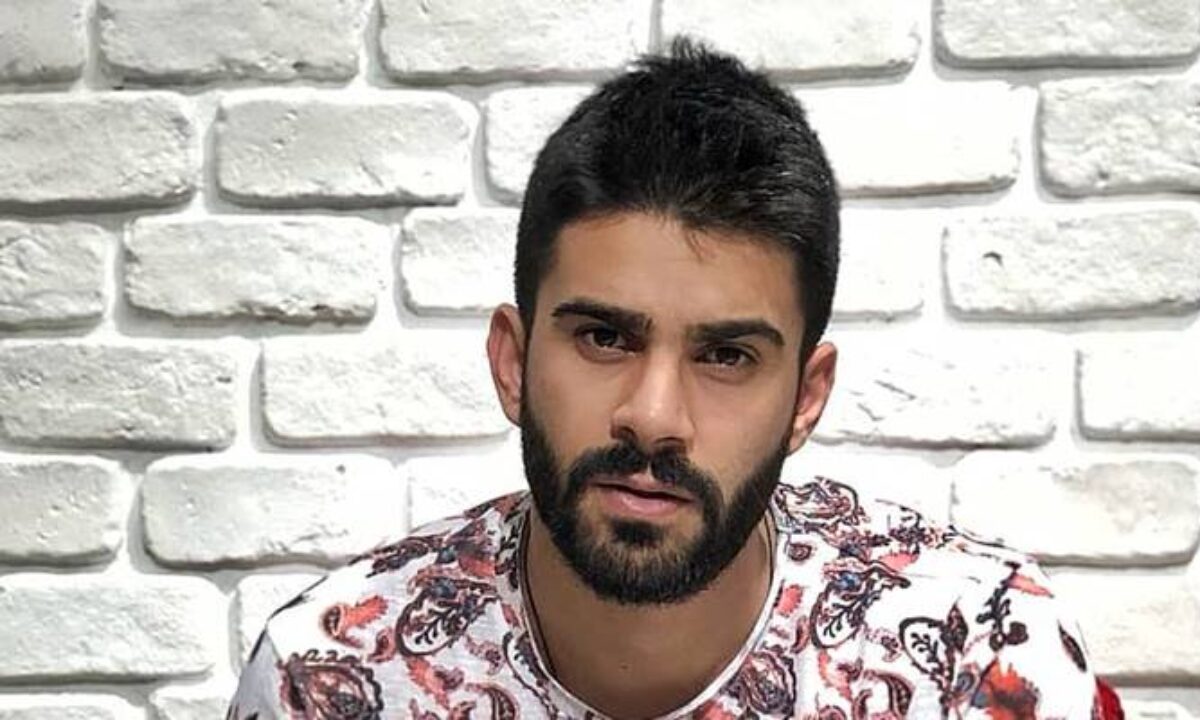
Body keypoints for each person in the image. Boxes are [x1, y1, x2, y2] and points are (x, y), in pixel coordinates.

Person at [227, 38, 1120, 719]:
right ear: (513, 361)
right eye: (604, 337)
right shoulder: (331, 676)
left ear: (806, 398)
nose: (654, 416)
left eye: (726, 356)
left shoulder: (979, 657)